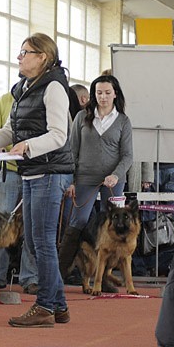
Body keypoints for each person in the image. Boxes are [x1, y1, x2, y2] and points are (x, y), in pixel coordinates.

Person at [0, 33, 72, 328]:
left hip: (48, 172)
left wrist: (28, 146)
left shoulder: (55, 88)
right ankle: (58, 304)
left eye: (25, 52)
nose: (19, 57)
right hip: (31, 172)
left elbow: (60, 135)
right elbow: (10, 130)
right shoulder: (23, 88)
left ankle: (46, 305)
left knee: (42, 243)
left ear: (43, 57)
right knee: (34, 243)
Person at [58, 75, 133, 283]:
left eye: (107, 93)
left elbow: (128, 156)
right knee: (78, 221)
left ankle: (105, 276)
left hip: (113, 182)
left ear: (115, 94)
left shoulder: (123, 121)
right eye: (99, 93)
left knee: (110, 225)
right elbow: (72, 151)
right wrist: (70, 180)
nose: (103, 97)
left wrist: (116, 175)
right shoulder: (82, 117)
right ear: (93, 95)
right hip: (84, 178)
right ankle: (60, 272)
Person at [0, 91, 39, 295]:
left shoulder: (46, 99)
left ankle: (30, 277)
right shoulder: (5, 101)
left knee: (31, 225)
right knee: (1, 224)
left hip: (37, 172)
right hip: (9, 170)